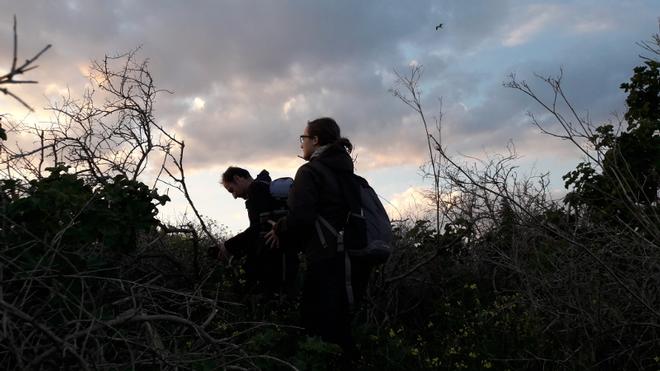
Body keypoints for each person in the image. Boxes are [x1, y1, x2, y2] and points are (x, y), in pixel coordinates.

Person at [267, 117, 367, 360]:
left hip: (324, 257)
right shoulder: (346, 172)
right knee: (341, 325)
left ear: (316, 140)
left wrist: (279, 228)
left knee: (316, 326)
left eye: (304, 138)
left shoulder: (310, 171)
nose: (302, 144)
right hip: (353, 255)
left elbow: (301, 217)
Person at [220, 166, 298, 300]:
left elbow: (257, 229)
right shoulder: (265, 188)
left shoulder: (257, 190)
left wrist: (228, 246)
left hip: (276, 263)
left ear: (238, 178)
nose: (234, 196)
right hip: (287, 257)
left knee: (274, 300)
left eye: (231, 190)